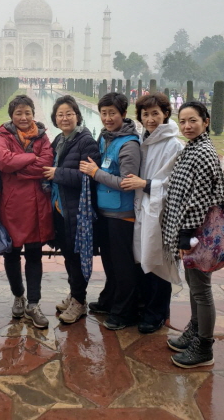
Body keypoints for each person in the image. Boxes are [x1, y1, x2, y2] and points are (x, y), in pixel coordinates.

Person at [162, 101, 224, 368]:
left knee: (201, 290)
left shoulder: (201, 153)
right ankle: (195, 330)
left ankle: (204, 347)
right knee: (195, 286)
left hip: (198, 233)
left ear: (206, 121)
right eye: (183, 121)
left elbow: (199, 199)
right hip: (192, 230)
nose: (187, 126)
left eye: (193, 120)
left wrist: (185, 235)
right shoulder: (193, 148)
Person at [120, 93, 183, 333]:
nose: (150, 119)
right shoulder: (141, 139)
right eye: (145, 114)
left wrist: (145, 184)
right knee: (141, 259)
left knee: (157, 261)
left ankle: (157, 313)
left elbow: (174, 185)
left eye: (155, 113)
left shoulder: (173, 145)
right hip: (141, 209)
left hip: (159, 212)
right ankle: (144, 307)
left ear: (166, 113)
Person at [80, 92, 141, 331]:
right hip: (106, 212)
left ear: (123, 114)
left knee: (122, 265)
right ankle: (110, 300)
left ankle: (124, 312)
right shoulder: (107, 137)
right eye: (103, 113)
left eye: (112, 113)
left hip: (121, 214)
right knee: (110, 262)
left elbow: (127, 182)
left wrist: (96, 173)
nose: (107, 118)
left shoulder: (129, 144)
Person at [0, 94, 54, 329]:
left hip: (37, 205)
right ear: (11, 115)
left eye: (27, 112)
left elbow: (46, 164)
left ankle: (33, 303)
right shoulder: (3, 136)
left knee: (34, 254)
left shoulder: (42, 136)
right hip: (12, 205)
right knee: (11, 252)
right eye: (18, 113)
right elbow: (3, 162)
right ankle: (18, 295)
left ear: (33, 114)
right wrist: (32, 158)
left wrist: (20, 168)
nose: (23, 117)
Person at [42, 95, 100, 323]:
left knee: (76, 256)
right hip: (62, 209)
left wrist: (57, 174)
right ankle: (75, 294)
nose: (64, 118)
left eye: (69, 113)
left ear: (77, 115)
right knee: (68, 255)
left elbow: (89, 177)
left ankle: (79, 302)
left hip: (78, 211)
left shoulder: (86, 142)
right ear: (55, 119)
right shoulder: (59, 140)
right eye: (60, 114)